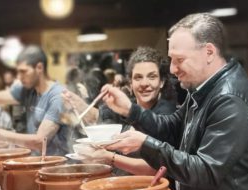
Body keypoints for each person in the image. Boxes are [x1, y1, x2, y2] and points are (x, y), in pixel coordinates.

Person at [102, 13, 248, 190]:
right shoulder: (201, 88)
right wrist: (131, 110)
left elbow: (205, 171)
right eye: (171, 59)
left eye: (179, 60)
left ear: (209, 52)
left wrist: (145, 144)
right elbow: (171, 127)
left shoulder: (229, 99)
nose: (171, 69)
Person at [63, 46, 177, 176]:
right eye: (138, 77)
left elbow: (157, 168)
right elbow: (97, 116)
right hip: (118, 182)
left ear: (161, 82)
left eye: (152, 77)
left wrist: (108, 157)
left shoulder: (168, 115)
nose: (144, 83)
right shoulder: (126, 105)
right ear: (130, 83)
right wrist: (78, 104)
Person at [0, 45, 71, 155]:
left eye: (23, 71)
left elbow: (40, 142)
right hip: (37, 163)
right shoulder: (26, 88)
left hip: (59, 168)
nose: (19, 77)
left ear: (39, 68)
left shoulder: (57, 96)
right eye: (18, 72)